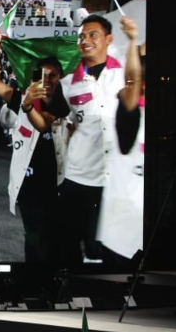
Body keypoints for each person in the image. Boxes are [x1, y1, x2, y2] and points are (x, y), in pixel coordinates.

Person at [45, 14, 143, 267]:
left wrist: (133, 40)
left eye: (93, 35)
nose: (85, 40)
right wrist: (28, 105)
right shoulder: (67, 84)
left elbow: (134, 83)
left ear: (108, 39)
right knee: (68, 244)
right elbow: (48, 119)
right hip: (78, 176)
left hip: (115, 179)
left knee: (106, 248)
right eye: (81, 36)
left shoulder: (123, 73)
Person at [0, 28, 67, 262]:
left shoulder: (64, 106)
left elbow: (43, 125)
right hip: (28, 185)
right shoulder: (21, 96)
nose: (48, 81)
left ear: (61, 78)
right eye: (43, 76)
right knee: (33, 235)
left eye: (53, 76)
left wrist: (28, 106)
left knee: (52, 239)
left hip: (57, 186)